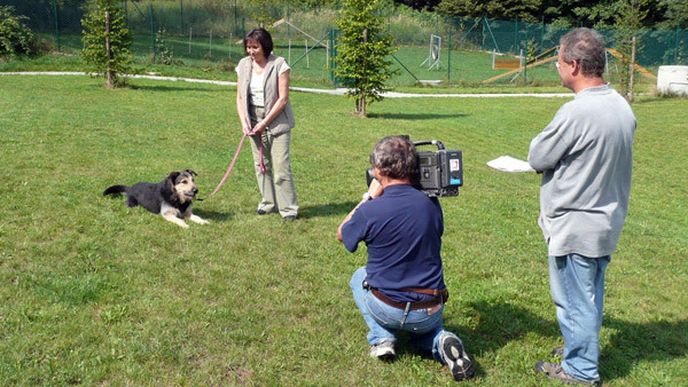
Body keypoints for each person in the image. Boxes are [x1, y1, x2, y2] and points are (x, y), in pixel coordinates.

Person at [528, 28, 636, 386]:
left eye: (558, 60)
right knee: (589, 296)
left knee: (574, 300)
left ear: (573, 65)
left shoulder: (577, 112)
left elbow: (538, 155)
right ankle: (580, 348)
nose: (556, 67)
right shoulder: (620, 105)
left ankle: (580, 371)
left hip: (576, 224)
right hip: (606, 220)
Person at [336, 136, 475, 382]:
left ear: (378, 170)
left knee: (359, 277)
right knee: (423, 331)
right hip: (429, 308)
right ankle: (440, 340)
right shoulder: (431, 205)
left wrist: (368, 197)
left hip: (386, 307)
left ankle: (382, 338)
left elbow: (342, 234)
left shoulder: (370, 211)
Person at [236, 28, 298, 220]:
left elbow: (283, 99)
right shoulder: (244, 65)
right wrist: (244, 122)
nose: (251, 51)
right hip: (253, 119)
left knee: (280, 167)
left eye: (255, 47)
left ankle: (288, 209)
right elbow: (239, 97)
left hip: (277, 120)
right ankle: (268, 202)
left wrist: (264, 123)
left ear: (265, 46)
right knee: (261, 164)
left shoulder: (279, 64)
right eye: (248, 47)